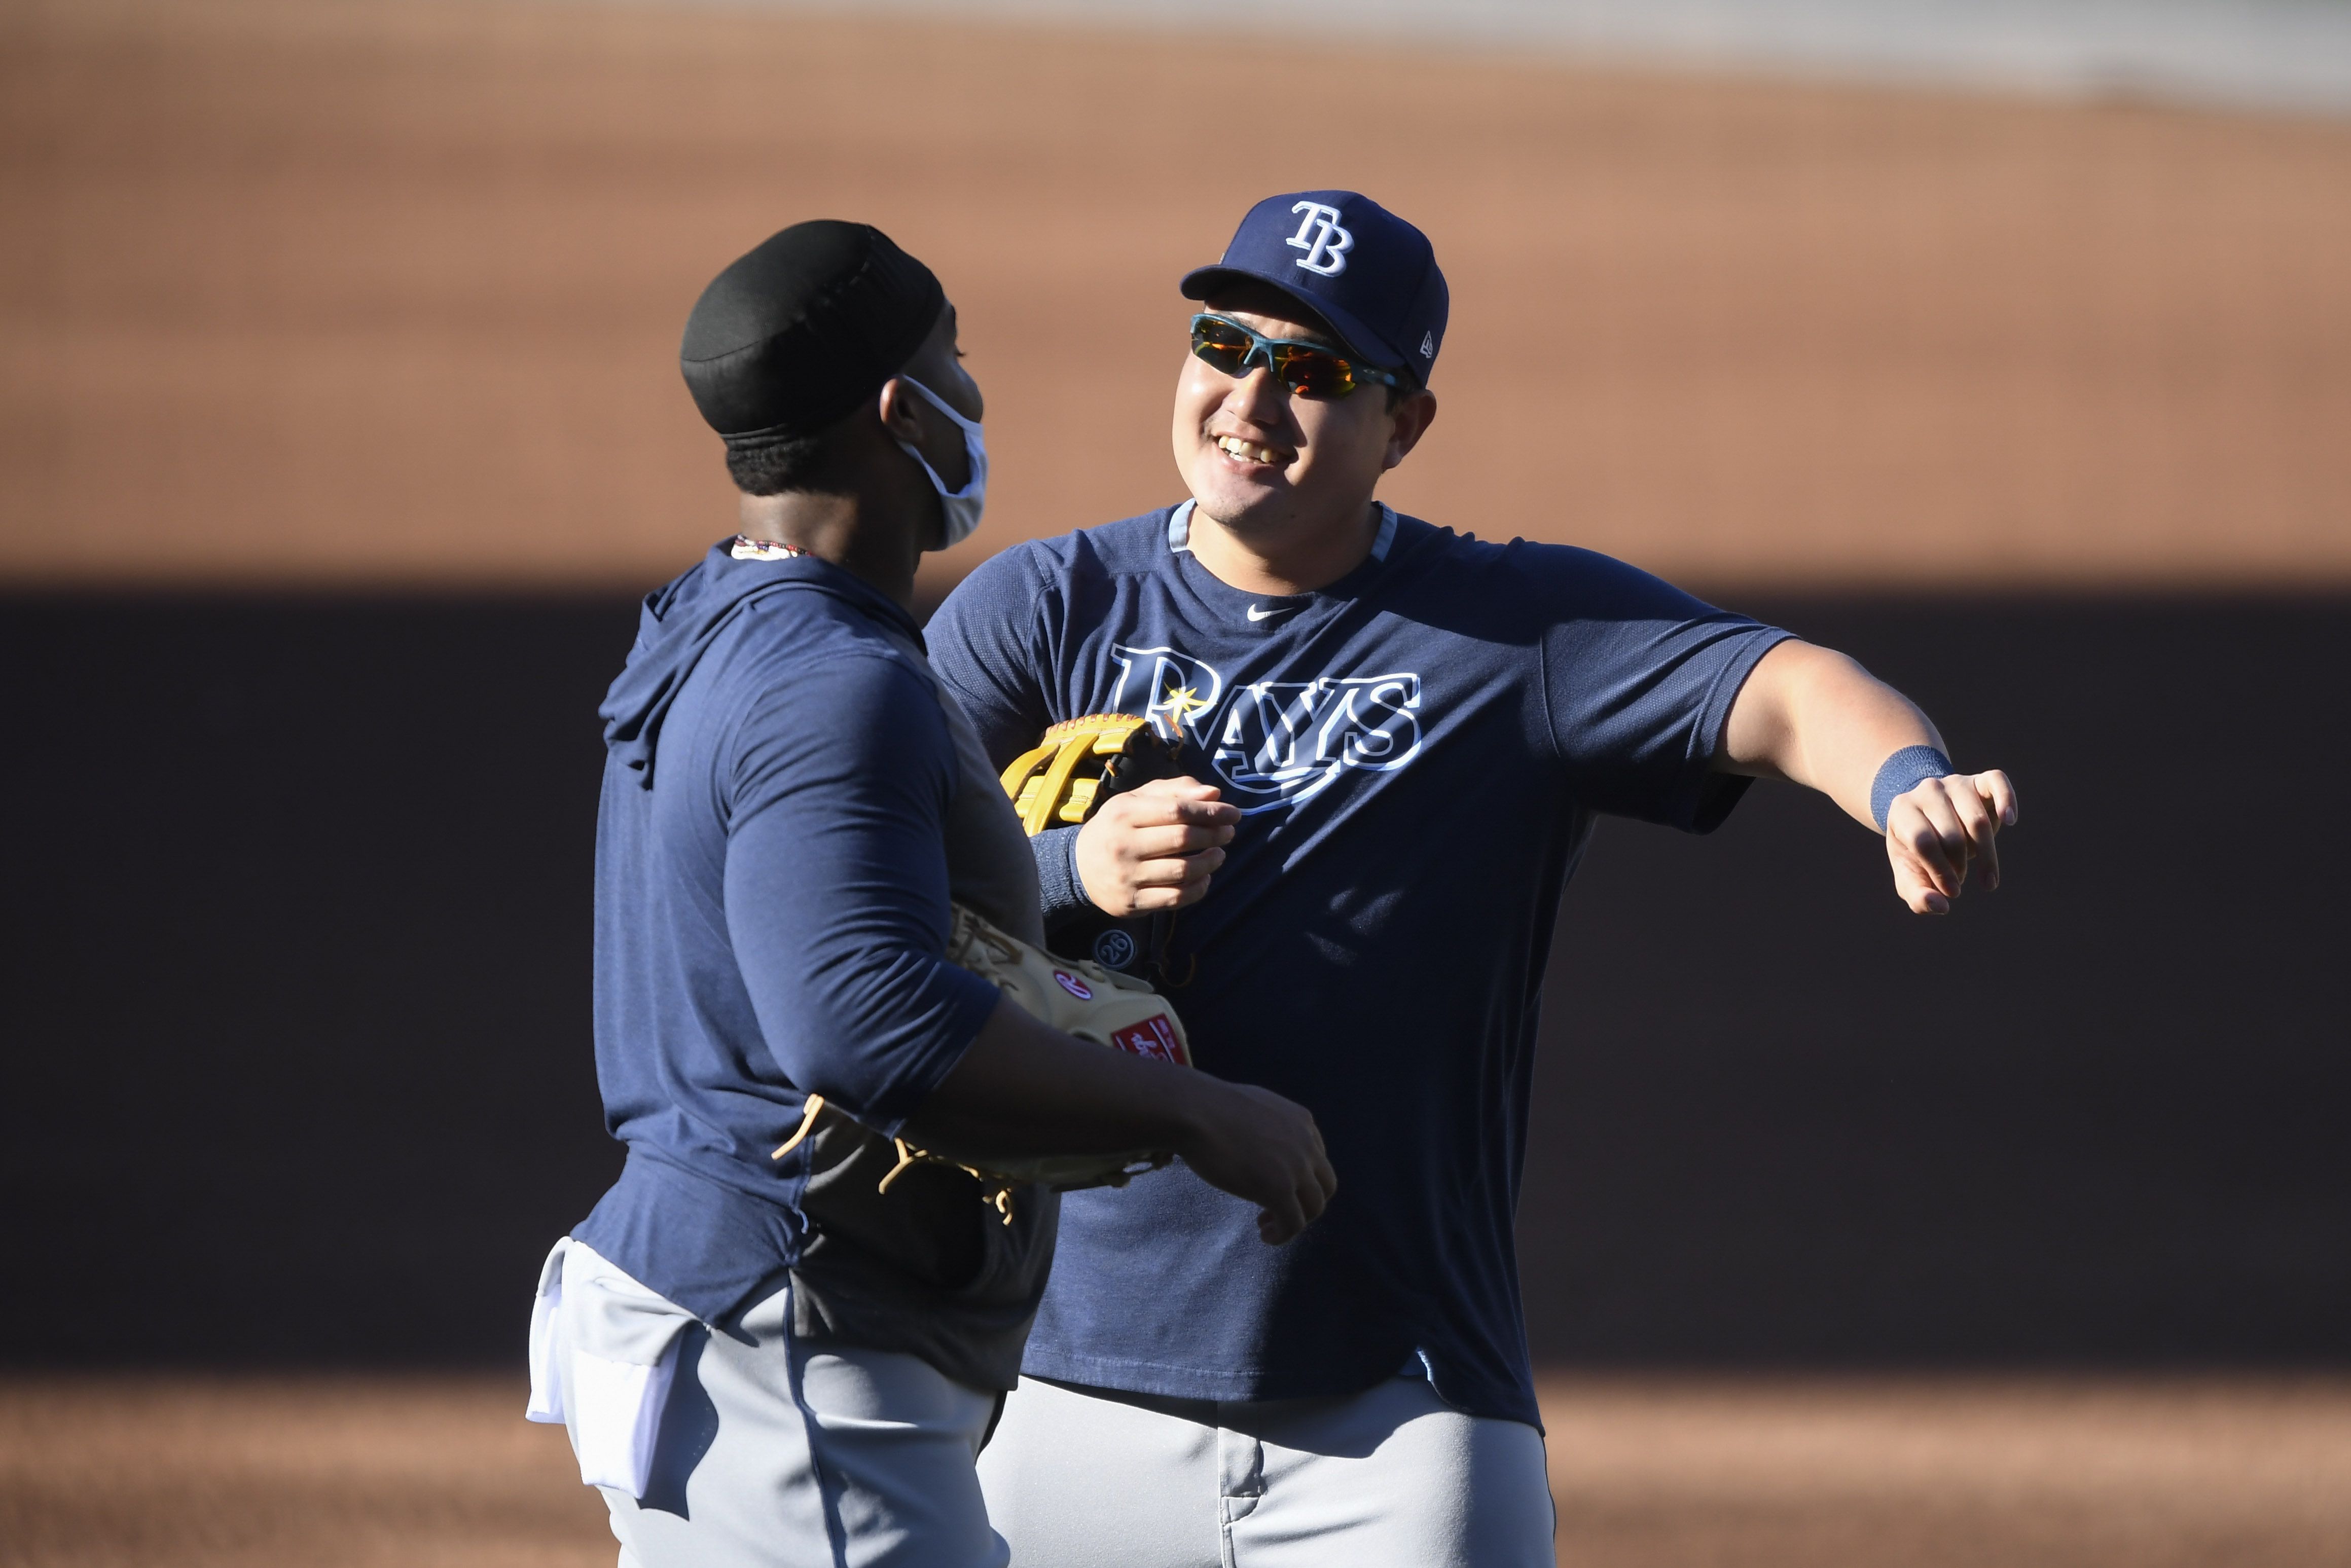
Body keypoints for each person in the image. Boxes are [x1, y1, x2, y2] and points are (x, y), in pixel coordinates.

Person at [926, 191, 2019, 1567]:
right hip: (1060, 1387)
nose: (1253, 398)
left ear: (1406, 427)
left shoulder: (1518, 632)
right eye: (1224, 343)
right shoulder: (1046, 610)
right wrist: (1078, 864)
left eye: (1317, 373)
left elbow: (1784, 688)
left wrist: (1903, 780)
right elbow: (870, 880)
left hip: (1402, 1414)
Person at [522, 220, 1335, 1568]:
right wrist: (1196, 1111)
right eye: (955, 360)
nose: (975, 392)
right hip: (790, 1336)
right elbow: (865, 1024)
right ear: (905, 411)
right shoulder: (836, 682)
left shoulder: (710, 620)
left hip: (724, 1314)